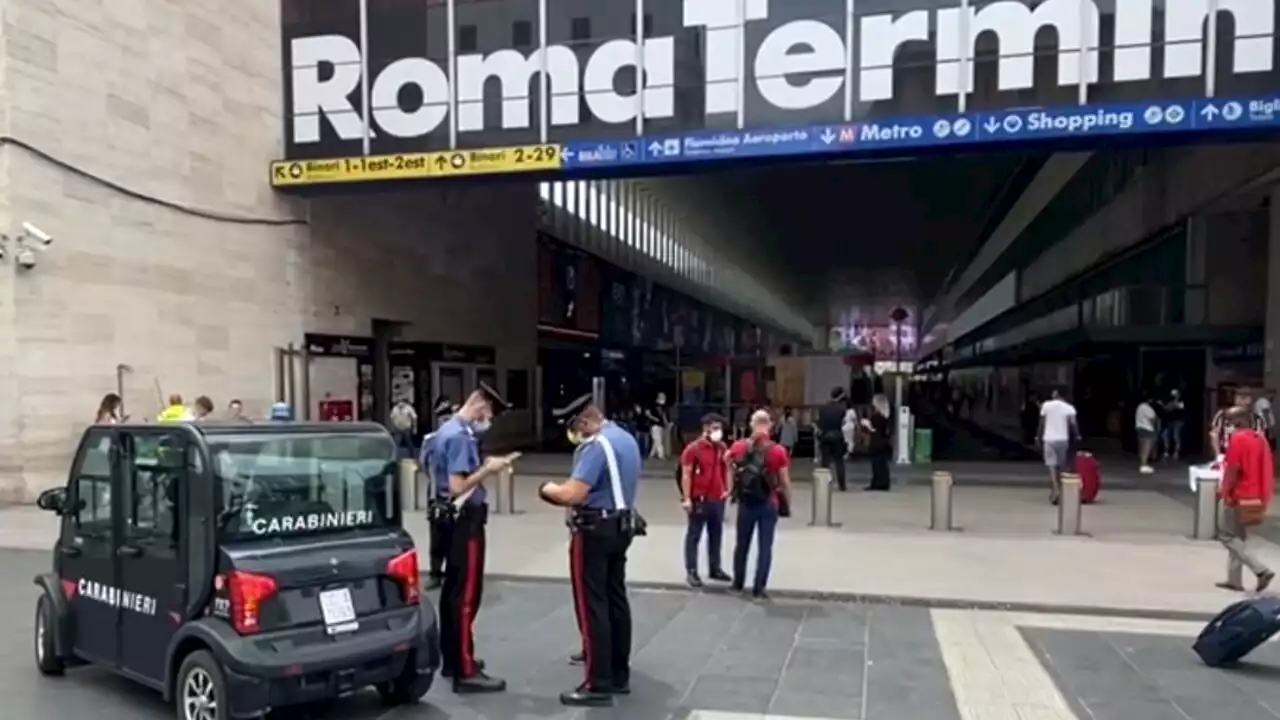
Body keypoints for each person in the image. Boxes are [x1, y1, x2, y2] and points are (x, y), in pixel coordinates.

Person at [536, 402, 642, 707]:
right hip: (621, 526)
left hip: (595, 530)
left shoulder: (595, 447)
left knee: (591, 604)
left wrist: (547, 489)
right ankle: (619, 673)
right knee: (615, 599)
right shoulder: (625, 438)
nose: (576, 434)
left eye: (576, 427)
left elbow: (573, 493)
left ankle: (597, 682)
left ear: (585, 422)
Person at [428, 383, 515, 693]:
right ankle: (464, 669)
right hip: (465, 520)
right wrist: (488, 469)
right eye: (490, 412)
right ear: (481, 406)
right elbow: (457, 485)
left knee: (453, 590)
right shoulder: (461, 436)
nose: (488, 419)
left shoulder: (443, 431)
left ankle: (453, 658)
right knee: (466, 594)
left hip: (448, 520)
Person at [728, 410, 792, 600]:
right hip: (768, 502)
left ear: (751, 424)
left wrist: (732, 491)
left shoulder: (739, 447)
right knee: (765, 546)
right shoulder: (778, 451)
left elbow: (729, 466)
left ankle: (738, 584)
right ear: (770, 425)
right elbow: (784, 481)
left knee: (742, 545)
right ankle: (759, 587)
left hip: (746, 502)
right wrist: (787, 501)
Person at [1216, 406, 1275, 593]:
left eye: (1229, 422)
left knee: (1226, 535)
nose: (1227, 426)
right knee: (1238, 537)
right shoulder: (1260, 439)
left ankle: (1260, 569)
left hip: (1239, 495)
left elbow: (1233, 469)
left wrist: (1224, 491)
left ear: (1237, 422)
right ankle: (1234, 579)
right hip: (1256, 495)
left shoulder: (1238, 440)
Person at [680, 413, 732, 588]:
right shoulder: (693, 449)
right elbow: (686, 474)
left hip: (717, 498)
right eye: (716, 428)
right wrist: (687, 498)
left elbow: (727, 469)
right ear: (706, 428)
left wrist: (727, 490)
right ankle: (692, 571)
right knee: (694, 534)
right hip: (699, 498)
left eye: (720, 428)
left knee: (716, 534)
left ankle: (715, 567)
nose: (719, 432)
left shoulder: (722, 448)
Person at [1036, 387, 1079, 505]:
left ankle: (1055, 490)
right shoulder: (1069, 408)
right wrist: (1077, 437)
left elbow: (1042, 423)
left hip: (1049, 439)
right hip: (1062, 439)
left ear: (1055, 394)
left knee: (1051, 466)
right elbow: (1073, 425)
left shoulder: (1046, 406)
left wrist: (1038, 436)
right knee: (1062, 466)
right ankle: (1061, 490)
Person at [1211, 390, 1262, 457]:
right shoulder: (1222, 415)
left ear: (1249, 400)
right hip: (1227, 455)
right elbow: (1214, 434)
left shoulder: (1256, 419)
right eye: (1237, 398)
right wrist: (1218, 455)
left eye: (1243, 398)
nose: (1239, 401)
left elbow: (1260, 438)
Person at [815, 387, 848, 491]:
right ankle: (842, 484)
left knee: (825, 461)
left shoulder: (823, 408)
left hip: (825, 436)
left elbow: (820, 423)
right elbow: (844, 424)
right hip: (837, 436)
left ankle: (824, 484)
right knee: (839, 461)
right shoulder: (842, 409)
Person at [862, 394, 893, 491]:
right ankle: (884, 482)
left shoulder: (876, 416)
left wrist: (866, 425)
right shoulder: (886, 416)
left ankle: (877, 483)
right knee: (882, 464)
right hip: (883, 443)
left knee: (876, 464)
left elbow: (873, 429)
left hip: (876, 443)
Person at [1134, 395, 1158, 474]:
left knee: (1142, 447)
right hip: (1147, 428)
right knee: (1146, 447)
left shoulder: (1139, 407)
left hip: (1139, 427)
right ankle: (1144, 465)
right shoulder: (1147, 408)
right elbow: (1153, 419)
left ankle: (1143, 463)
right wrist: (1155, 428)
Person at [1160, 389, 1185, 460]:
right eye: (1172, 394)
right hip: (1169, 421)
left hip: (1178, 421)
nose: (1173, 396)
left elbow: (1178, 407)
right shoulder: (1169, 401)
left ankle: (1176, 452)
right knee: (1165, 436)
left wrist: (1172, 404)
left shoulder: (1181, 401)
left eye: (1175, 394)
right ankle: (1166, 452)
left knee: (1176, 436)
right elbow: (1166, 408)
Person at [647, 394, 668, 460]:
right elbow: (647, 413)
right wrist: (654, 418)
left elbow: (664, 416)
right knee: (658, 441)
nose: (664, 398)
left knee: (656, 441)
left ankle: (651, 455)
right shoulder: (653, 405)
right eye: (663, 397)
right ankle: (661, 455)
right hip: (654, 425)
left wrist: (665, 423)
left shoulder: (663, 406)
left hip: (660, 425)